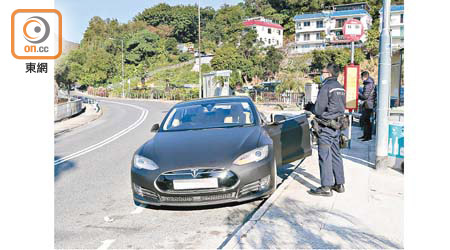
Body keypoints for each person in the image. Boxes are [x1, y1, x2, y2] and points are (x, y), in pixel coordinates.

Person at [308, 63, 346, 197]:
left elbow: (318, 110)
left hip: (326, 127)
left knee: (325, 156)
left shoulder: (326, 87)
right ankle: (339, 184)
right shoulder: (340, 87)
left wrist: (310, 107)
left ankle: (326, 187)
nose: (321, 74)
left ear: (329, 74)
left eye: (322, 72)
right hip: (337, 126)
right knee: (336, 154)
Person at [358, 71, 376, 141]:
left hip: (368, 104)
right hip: (369, 104)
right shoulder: (369, 83)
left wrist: (358, 93)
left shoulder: (368, 84)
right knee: (366, 120)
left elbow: (365, 96)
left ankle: (367, 137)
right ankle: (365, 135)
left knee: (366, 121)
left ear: (364, 77)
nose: (361, 79)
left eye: (361, 77)